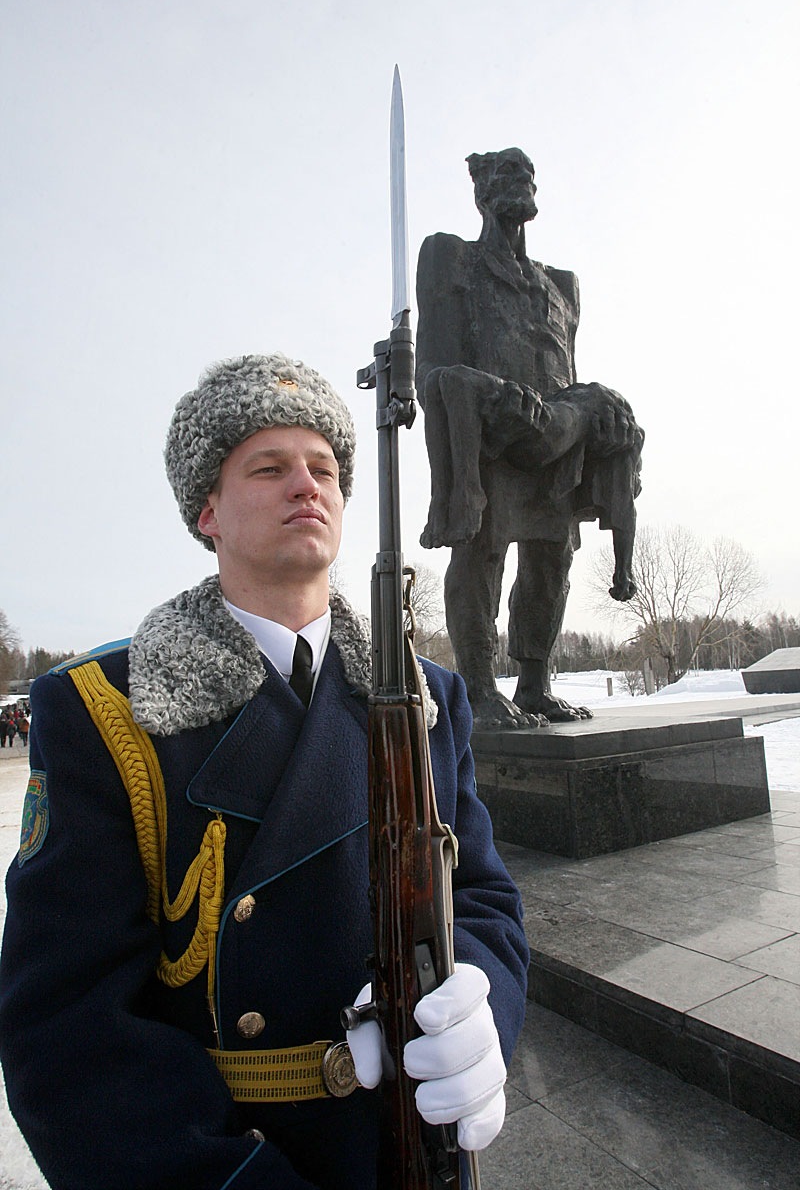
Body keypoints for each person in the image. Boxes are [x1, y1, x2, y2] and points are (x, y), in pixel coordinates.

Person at [0, 353, 529, 1190]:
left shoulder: (431, 698)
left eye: (324, 468)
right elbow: (69, 1024)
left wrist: (484, 1009)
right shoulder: (106, 710)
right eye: (269, 466)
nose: (306, 486)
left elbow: (484, 902)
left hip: (411, 1146)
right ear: (206, 509)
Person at [416, 147, 644, 726]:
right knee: (482, 551)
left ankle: (535, 684)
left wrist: (594, 406)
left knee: (551, 561)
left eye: (528, 173)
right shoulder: (451, 258)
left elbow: (565, 368)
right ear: (482, 193)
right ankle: (478, 686)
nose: (523, 180)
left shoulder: (562, 285)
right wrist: (486, 396)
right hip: (492, 430)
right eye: (506, 173)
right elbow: (433, 368)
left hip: (556, 437)